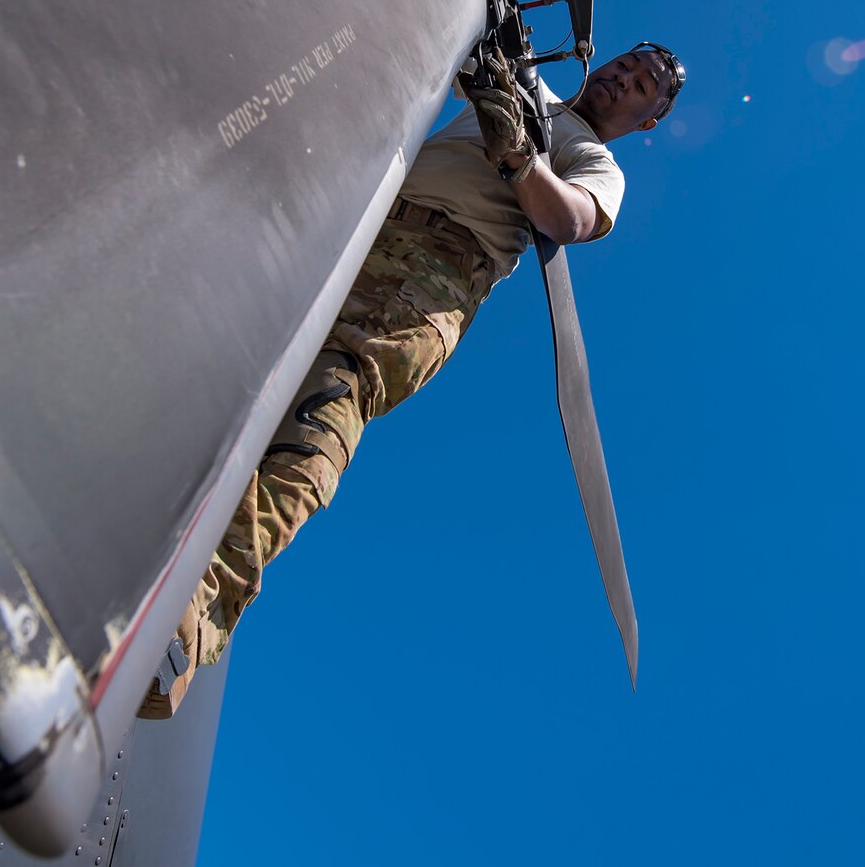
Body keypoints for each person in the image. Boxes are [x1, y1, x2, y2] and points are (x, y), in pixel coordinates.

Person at [140, 40, 684, 716]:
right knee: (235, 369)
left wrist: (518, 154)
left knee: (330, 401)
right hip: (353, 230)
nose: (620, 78)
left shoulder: (593, 159)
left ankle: (196, 611)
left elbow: (566, 217)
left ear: (649, 118)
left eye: (640, 85)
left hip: (429, 275)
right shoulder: (525, 85)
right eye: (624, 65)